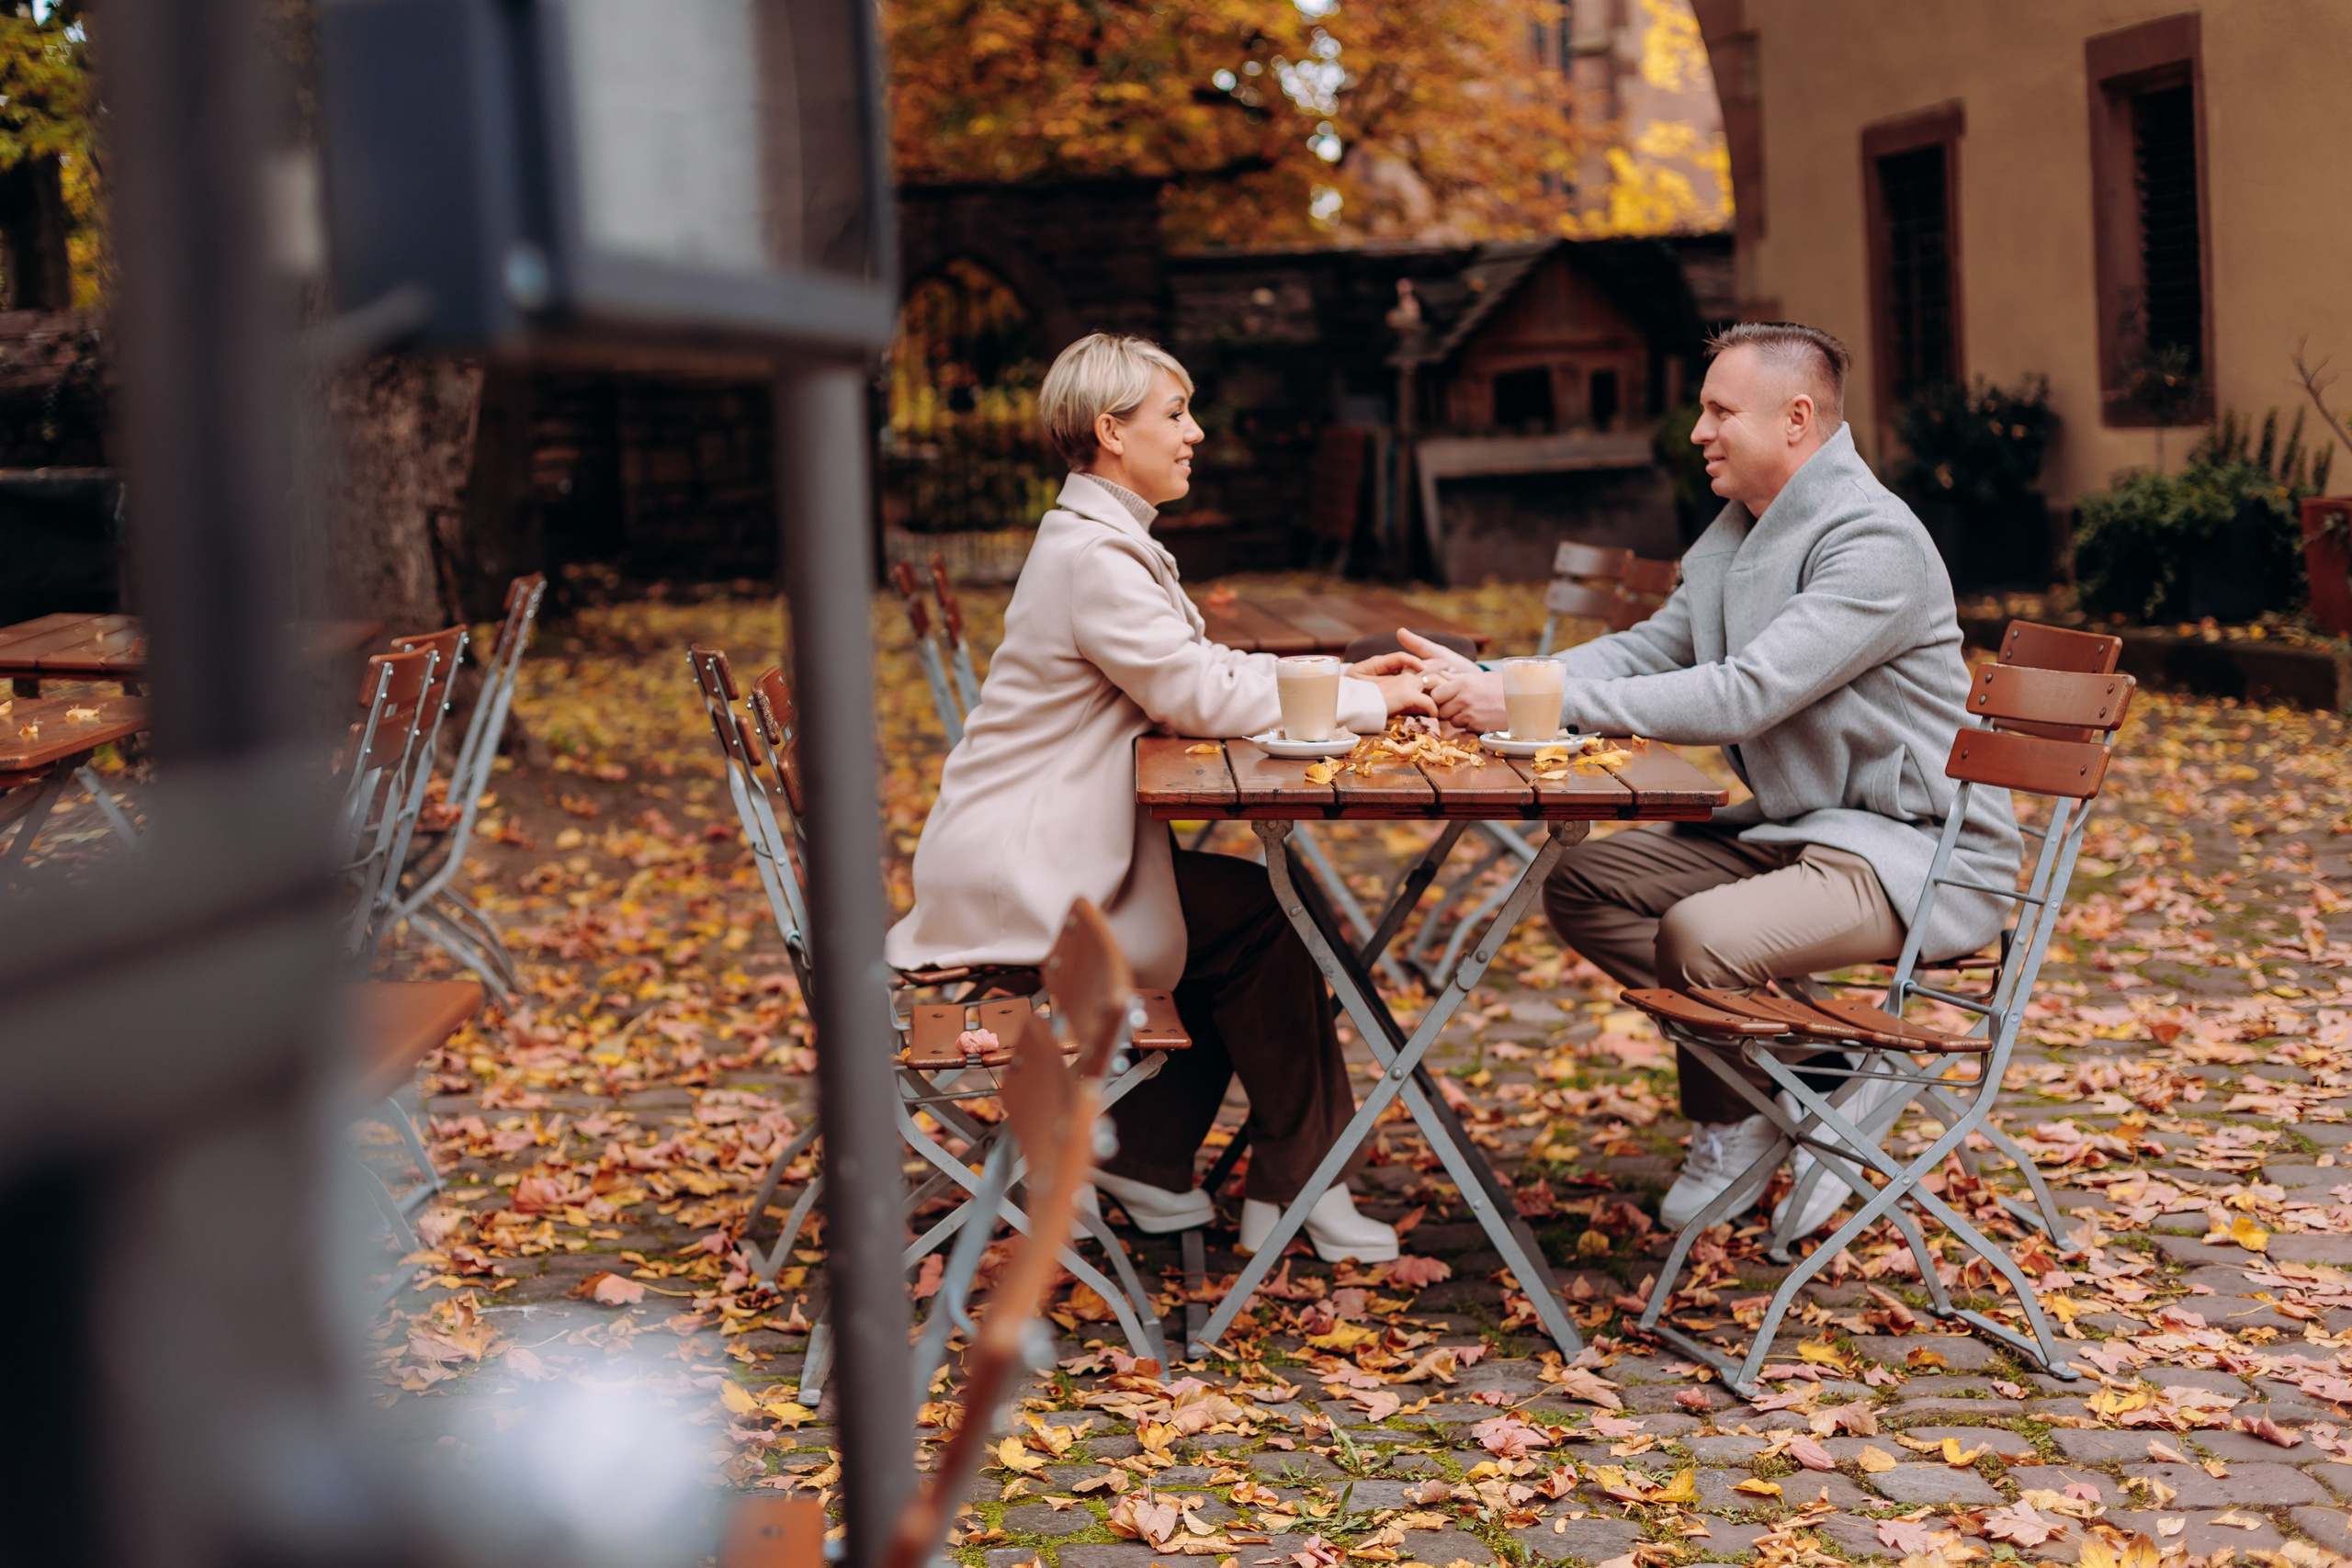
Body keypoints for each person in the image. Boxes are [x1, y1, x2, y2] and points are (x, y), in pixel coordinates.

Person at [1401, 321, 2019, 1239]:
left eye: (1720, 411)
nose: (1698, 431)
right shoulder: (1740, 531)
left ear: (1796, 420)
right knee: (1582, 881)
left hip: (1912, 856)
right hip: (1801, 831)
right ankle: (1805, 1071)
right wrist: (1501, 684)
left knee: (1699, 936)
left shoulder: (1873, 540)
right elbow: (1650, 649)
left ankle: (1735, 1115)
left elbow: (1744, 694)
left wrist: (1543, 702)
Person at [885, 333, 1431, 1262]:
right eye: (1175, 414)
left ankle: (1151, 1155)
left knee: (1242, 914)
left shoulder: (1094, 540)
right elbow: (1195, 695)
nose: (1195, 433)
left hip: (1037, 846)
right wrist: (1372, 702)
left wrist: (1336, 677)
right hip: (1028, 869)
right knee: (1264, 916)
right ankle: (1296, 1186)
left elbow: (1195, 668)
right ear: (1111, 431)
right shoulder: (1095, 556)